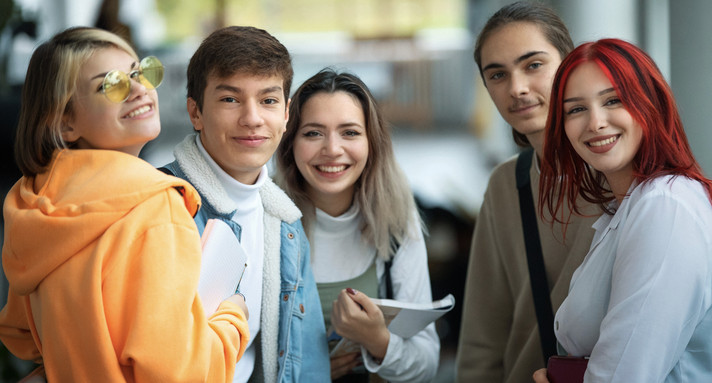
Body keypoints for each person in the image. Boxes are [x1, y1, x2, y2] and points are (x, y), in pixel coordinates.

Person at [0, 27, 249, 382]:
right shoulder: (155, 208)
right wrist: (232, 319)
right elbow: (180, 373)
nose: (139, 90)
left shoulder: (34, 206)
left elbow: (21, 334)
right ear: (65, 122)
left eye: (139, 72)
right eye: (110, 84)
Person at [533, 38, 712, 382]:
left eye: (613, 100)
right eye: (575, 109)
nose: (596, 123)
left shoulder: (665, 207)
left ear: (651, 105)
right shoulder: (630, 206)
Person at [160, 26, 330, 383]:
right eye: (230, 99)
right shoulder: (161, 207)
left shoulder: (286, 225)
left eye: (268, 100)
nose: (252, 118)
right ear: (195, 112)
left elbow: (309, 361)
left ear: (285, 114)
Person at [455, 2, 601, 382]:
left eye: (533, 65)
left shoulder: (620, 178)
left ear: (570, 64)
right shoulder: (507, 184)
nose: (517, 88)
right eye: (498, 74)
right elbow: (482, 333)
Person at [275, 68, 439, 382]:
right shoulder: (265, 220)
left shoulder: (397, 222)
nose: (332, 149)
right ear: (289, 143)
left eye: (349, 132)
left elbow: (428, 363)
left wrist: (380, 342)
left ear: (371, 142)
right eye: (313, 133)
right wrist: (305, 371)